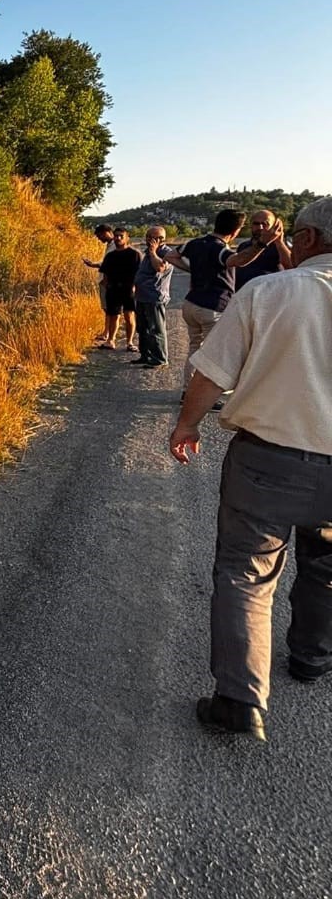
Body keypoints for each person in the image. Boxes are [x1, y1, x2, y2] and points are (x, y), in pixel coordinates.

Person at [168, 196, 332, 742]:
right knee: (327, 563)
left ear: (305, 239)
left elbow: (211, 373)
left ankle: (240, 700)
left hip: (268, 458)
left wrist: (186, 426)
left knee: (245, 572)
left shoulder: (269, 293)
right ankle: (311, 655)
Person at [162, 208, 252, 393]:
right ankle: (204, 395)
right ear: (235, 231)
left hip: (191, 303)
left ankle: (189, 391)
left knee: (195, 348)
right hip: (213, 306)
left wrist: (192, 269)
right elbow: (238, 261)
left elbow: (170, 256)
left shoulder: (195, 243)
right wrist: (260, 246)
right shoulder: (220, 249)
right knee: (212, 355)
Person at [131, 227, 172, 368]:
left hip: (155, 297)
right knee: (143, 328)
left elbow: (160, 268)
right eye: (148, 237)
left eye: (155, 238)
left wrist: (153, 252)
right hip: (142, 296)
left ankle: (159, 359)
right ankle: (146, 355)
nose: (150, 240)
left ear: (162, 239)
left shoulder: (166, 253)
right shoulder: (147, 253)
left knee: (156, 329)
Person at [95, 227, 141, 351]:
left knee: (129, 315)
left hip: (128, 289)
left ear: (127, 238)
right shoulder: (110, 256)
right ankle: (111, 341)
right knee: (113, 315)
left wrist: (134, 287)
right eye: (116, 236)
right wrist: (107, 286)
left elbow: (139, 273)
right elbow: (105, 274)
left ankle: (130, 342)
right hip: (113, 289)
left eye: (121, 236)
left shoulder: (134, 255)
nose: (118, 238)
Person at [234, 209, 292, 288]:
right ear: (251, 225)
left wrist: (279, 242)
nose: (260, 227)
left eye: (265, 224)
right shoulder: (243, 246)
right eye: (256, 224)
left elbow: (291, 267)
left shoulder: (278, 247)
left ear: (273, 226)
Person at [83, 224, 117, 341]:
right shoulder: (110, 245)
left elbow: (111, 264)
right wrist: (94, 264)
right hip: (106, 281)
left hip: (109, 282)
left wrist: (94, 265)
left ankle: (108, 335)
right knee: (107, 309)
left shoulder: (115, 246)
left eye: (99, 236)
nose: (99, 239)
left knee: (110, 309)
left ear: (106, 232)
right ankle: (106, 332)